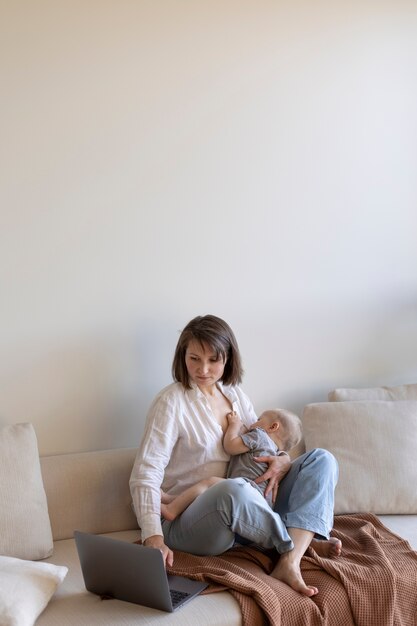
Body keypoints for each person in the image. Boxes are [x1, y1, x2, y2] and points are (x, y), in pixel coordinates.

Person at [130, 314, 341, 597]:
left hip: (247, 504)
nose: (203, 370)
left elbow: (261, 442)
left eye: (213, 360)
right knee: (231, 488)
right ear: (183, 357)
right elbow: (145, 473)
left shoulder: (235, 395)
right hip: (190, 517)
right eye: (194, 359)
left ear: (228, 358)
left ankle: (290, 560)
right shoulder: (170, 403)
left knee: (322, 459)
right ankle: (299, 541)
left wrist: (282, 458)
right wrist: (152, 537)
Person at [160, 407, 303, 519]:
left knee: (210, 483)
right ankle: (175, 500)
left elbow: (230, 446)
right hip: (263, 506)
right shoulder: (274, 453)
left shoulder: (259, 436)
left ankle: (171, 509)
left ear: (273, 427)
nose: (253, 423)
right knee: (210, 493)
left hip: (246, 491)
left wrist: (234, 425)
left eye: (259, 419)